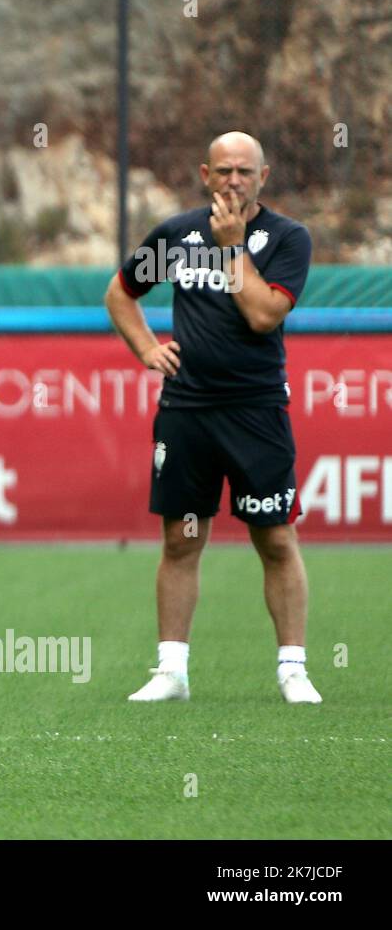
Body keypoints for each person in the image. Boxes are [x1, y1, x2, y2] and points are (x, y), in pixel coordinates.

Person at [104, 130, 321, 705]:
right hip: (186, 411)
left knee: (274, 538)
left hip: (256, 411)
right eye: (223, 171)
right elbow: (120, 294)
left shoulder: (288, 238)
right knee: (181, 539)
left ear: (263, 177)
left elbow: (263, 315)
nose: (233, 181)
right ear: (205, 174)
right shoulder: (176, 235)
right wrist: (147, 348)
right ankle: (171, 670)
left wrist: (230, 250)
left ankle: (293, 669)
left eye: (244, 172)